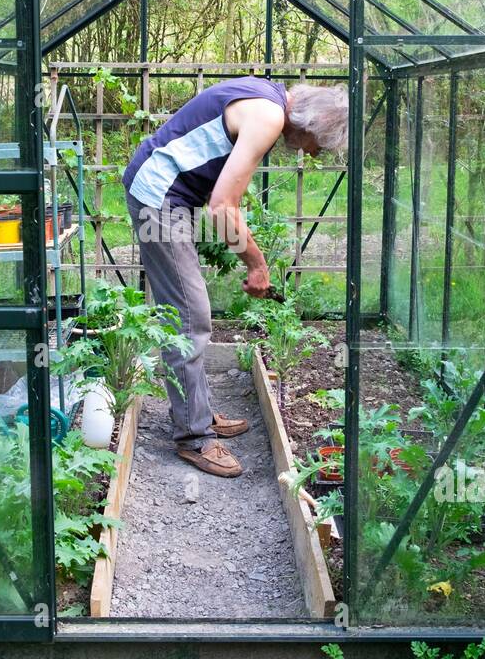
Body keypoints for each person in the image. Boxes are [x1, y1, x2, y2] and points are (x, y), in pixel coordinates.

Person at [122, 77, 349, 478]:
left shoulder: (267, 97)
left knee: (189, 314)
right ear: (313, 124)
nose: (314, 155)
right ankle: (193, 436)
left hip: (164, 192)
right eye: (321, 146)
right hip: (157, 197)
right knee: (188, 318)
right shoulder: (267, 115)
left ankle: (200, 414)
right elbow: (223, 208)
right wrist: (257, 265)